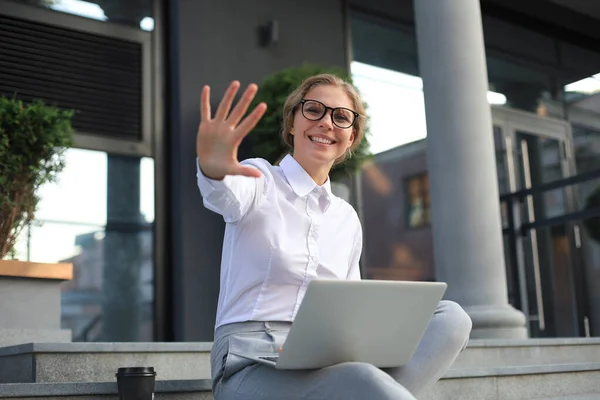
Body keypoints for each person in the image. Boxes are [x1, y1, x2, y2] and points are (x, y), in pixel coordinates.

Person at [195, 74, 472, 400]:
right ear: (292, 123)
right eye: (314, 110)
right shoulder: (259, 179)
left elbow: (348, 310)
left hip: (326, 358)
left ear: (351, 137)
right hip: (251, 363)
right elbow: (223, 193)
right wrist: (213, 167)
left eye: (340, 117)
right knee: (361, 378)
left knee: (452, 318)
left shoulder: (346, 218)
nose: (326, 122)